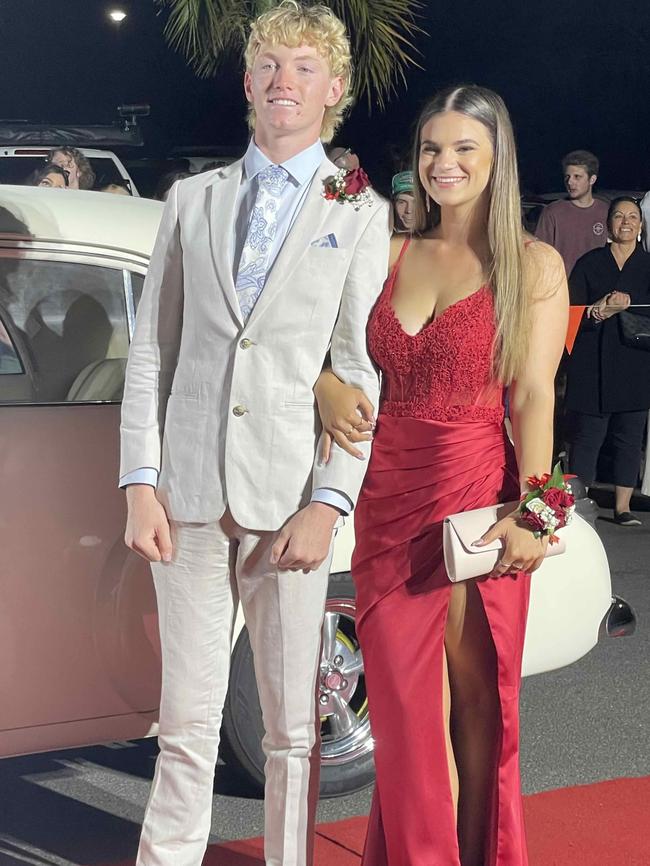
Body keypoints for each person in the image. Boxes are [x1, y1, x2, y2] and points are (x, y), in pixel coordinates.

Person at [119, 2, 390, 865]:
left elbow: (361, 370)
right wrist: (139, 481)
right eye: (270, 65)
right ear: (247, 81)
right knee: (188, 725)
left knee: (289, 736)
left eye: (304, 67)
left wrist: (330, 501)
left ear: (333, 90)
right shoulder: (191, 200)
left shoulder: (360, 212)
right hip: (190, 495)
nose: (284, 81)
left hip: (289, 505)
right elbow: (152, 352)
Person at [314, 84, 568, 865]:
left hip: (474, 501)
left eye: (465, 148)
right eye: (431, 148)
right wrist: (324, 380)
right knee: (405, 725)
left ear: (498, 160)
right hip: (386, 505)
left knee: (476, 718)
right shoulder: (386, 251)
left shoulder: (533, 264)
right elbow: (312, 337)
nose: (444, 164)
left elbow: (531, 398)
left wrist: (537, 512)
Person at [565, 196, 650, 526]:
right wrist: (600, 309)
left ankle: (622, 507)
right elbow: (569, 315)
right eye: (619, 216)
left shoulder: (647, 266)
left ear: (641, 226)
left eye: (632, 217)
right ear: (609, 224)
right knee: (587, 437)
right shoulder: (589, 263)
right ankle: (577, 502)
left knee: (629, 438)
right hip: (592, 362)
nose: (626, 222)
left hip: (636, 363)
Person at [535, 149, 608, 275]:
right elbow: (539, 253)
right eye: (567, 177)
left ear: (592, 179)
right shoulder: (552, 212)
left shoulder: (606, 211)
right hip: (562, 286)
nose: (570, 182)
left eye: (577, 177)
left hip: (596, 288)